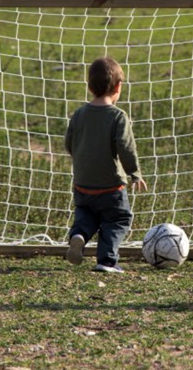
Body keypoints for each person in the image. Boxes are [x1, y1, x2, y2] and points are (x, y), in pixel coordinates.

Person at [64, 56, 147, 273]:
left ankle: (78, 235)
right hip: (111, 186)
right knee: (118, 219)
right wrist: (134, 173)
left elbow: (69, 143)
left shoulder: (79, 114)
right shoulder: (118, 116)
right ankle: (107, 261)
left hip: (82, 183)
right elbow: (125, 147)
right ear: (118, 87)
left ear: (90, 86)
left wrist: (83, 159)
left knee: (85, 213)